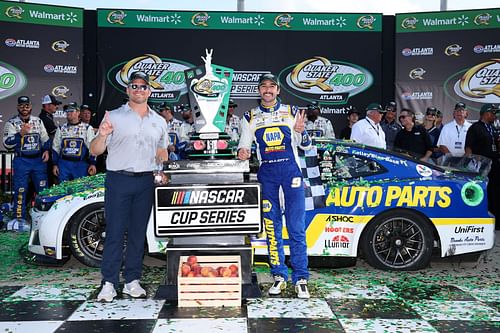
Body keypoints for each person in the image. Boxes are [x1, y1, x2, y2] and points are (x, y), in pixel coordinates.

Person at [90, 71, 169, 302]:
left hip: (146, 182)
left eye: (143, 87)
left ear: (149, 91)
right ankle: (109, 282)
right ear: (127, 90)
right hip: (118, 179)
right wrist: (102, 135)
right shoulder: (113, 116)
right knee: (114, 233)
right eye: (134, 85)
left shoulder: (159, 121)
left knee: (137, 234)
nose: (139, 90)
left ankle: (132, 280)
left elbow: (162, 151)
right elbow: (95, 151)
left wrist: (162, 168)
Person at [237, 73, 311, 299]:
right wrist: (242, 153)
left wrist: (301, 131)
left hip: (291, 174)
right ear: (259, 91)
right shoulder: (249, 117)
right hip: (267, 175)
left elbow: (306, 146)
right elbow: (243, 149)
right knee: (272, 227)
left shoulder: (292, 112)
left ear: (278, 90)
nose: (267, 90)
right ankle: (279, 275)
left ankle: (301, 278)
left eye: (271, 86)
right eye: (263, 87)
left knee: (296, 227)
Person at [2, 96, 50, 227]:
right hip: (22, 160)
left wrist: (46, 150)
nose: (24, 108)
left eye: (27, 106)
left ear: (31, 107)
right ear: (18, 107)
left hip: (38, 161)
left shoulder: (38, 121)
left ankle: (44, 218)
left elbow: (45, 139)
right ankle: (19, 219)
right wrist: (20, 134)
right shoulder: (11, 123)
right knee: (21, 190)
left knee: (43, 190)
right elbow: (6, 143)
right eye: (22, 106)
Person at [465, 103, 500, 229]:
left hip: (495, 165)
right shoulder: (475, 128)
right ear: (487, 113)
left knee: (495, 191)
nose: (495, 116)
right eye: (493, 113)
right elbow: (468, 147)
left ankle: (497, 220)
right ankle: (483, 219)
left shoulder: (493, 128)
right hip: (481, 166)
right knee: (484, 191)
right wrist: (471, 164)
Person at [52, 103, 97, 182]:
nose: (68, 113)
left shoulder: (87, 128)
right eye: (67, 111)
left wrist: (92, 163)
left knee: (80, 191)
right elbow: (56, 147)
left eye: (71, 111)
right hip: (64, 165)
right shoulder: (61, 128)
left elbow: (92, 148)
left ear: (78, 112)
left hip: (80, 165)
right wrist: (55, 164)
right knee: (63, 191)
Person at [39, 94, 62, 186]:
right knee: (48, 180)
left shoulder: (47, 117)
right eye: (54, 104)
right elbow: (55, 136)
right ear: (47, 105)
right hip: (46, 155)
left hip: (47, 154)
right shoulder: (44, 118)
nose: (57, 106)